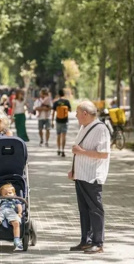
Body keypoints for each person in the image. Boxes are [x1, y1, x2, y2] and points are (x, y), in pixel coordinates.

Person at [68, 100, 110, 254]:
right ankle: (86, 240)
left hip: (92, 176)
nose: (76, 116)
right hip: (81, 174)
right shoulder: (84, 127)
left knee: (95, 209)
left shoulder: (100, 129)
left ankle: (98, 243)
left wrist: (82, 152)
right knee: (84, 210)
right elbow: (79, 150)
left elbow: (103, 154)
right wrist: (73, 169)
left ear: (85, 114)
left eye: (78, 113)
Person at [0, 183, 23, 251]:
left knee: (16, 223)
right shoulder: (1, 199)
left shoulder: (15, 199)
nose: (8, 195)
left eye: (10, 193)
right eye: (5, 194)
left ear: (14, 194)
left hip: (11, 211)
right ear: (2, 195)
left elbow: (19, 206)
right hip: (1, 211)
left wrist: (19, 212)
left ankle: (17, 240)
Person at [51, 89, 71, 157]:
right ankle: (63, 150)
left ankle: (58, 149)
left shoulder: (56, 102)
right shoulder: (67, 101)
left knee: (58, 135)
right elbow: (70, 110)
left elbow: (53, 112)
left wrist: (52, 121)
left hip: (58, 120)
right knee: (64, 136)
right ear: (64, 94)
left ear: (59, 94)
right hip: (65, 120)